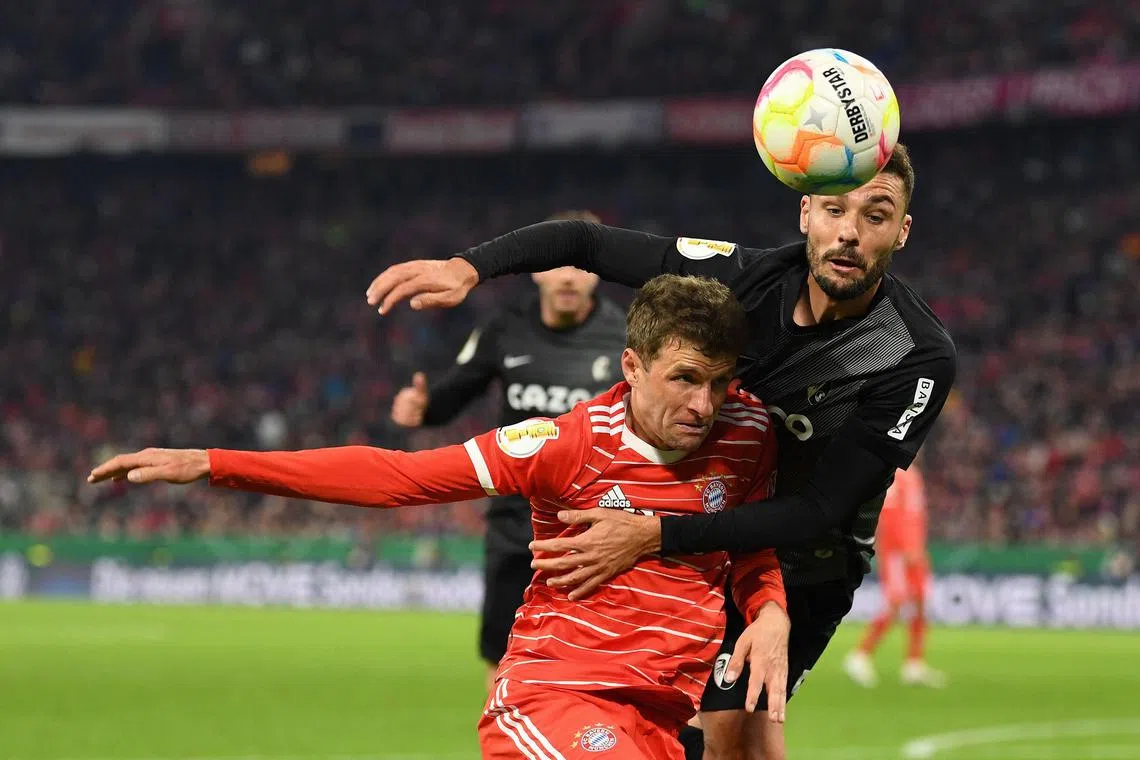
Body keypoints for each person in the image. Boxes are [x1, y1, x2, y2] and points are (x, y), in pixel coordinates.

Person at [363, 143, 957, 760]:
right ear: (805, 212)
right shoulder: (742, 279)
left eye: (876, 215)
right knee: (662, 733)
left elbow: (819, 509)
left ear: (903, 231)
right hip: (692, 540)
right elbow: (584, 243)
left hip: (802, 565)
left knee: (733, 744)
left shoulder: (915, 355)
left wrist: (654, 535)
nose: (850, 233)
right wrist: (469, 267)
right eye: (835, 210)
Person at [89, 274, 791, 760]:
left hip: (661, 717)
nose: (705, 403)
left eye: (720, 381)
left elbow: (750, 545)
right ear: (633, 366)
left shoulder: (746, 433)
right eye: (686, 379)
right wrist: (213, 462)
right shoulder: (565, 443)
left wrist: (768, 611)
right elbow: (398, 477)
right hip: (558, 700)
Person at [390, 210, 628, 689]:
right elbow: (451, 395)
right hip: (514, 523)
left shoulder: (626, 336)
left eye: (580, 264)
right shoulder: (504, 330)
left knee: (599, 662)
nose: (567, 275)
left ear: (599, 270)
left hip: (595, 528)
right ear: (537, 267)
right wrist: (423, 407)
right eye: (557, 262)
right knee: (502, 658)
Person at [843, 459, 946, 688]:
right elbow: (889, 515)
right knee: (896, 602)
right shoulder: (898, 476)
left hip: (914, 549)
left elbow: (913, 517)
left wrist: (915, 546)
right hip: (899, 552)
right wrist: (905, 547)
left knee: (920, 601)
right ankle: (860, 655)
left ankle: (914, 664)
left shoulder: (910, 475)